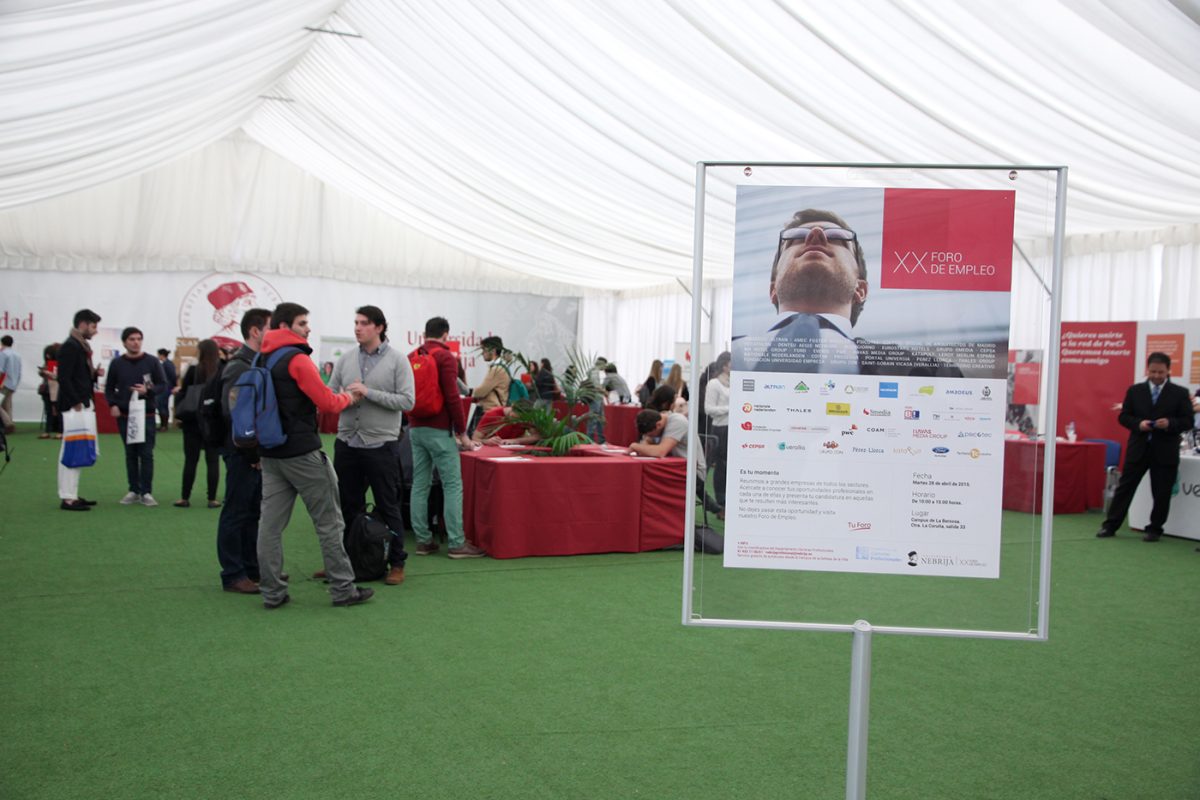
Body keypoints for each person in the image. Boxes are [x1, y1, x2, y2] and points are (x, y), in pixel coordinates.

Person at [732, 208, 963, 376]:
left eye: (836, 237)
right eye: (797, 238)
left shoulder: (932, 373)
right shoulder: (731, 356)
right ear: (773, 289)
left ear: (860, 289)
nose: (816, 235)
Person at [256, 302, 374, 609]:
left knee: (269, 526)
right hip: (303, 454)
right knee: (329, 522)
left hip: (270, 452)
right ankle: (343, 589)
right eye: (302, 323)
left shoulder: (262, 356)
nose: (308, 328)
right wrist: (351, 396)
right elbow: (328, 403)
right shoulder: (298, 359)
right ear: (285, 326)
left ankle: (272, 592)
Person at [326, 305, 415, 586]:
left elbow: (407, 401)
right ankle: (345, 563)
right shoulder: (346, 359)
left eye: (364, 323)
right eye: (356, 322)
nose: (357, 328)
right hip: (347, 442)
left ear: (379, 327)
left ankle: (397, 563)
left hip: (381, 444)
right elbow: (329, 395)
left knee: (388, 505)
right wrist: (344, 397)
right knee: (346, 506)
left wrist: (369, 392)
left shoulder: (398, 360)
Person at [409, 316, 486, 559]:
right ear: (445, 335)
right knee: (452, 484)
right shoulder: (445, 357)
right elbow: (453, 398)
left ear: (425, 334)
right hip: (439, 430)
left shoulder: (412, 356)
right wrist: (462, 433)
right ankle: (456, 543)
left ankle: (423, 541)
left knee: (420, 484)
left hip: (415, 427)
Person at [1096, 352, 1194, 542]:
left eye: (1161, 372)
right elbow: (1124, 416)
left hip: (1165, 450)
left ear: (1168, 371)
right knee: (1125, 488)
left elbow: (1187, 421)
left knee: (1162, 491)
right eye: (1153, 371)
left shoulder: (1180, 393)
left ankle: (1155, 529)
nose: (1156, 375)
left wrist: (1170, 423)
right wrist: (1138, 424)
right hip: (1139, 448)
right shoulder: (1135, 391)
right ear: (1147, 370)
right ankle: (1110, 525)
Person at [214, 307, 271, 594]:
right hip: (242, 452)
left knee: (252, 512)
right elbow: (234, 413)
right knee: (236, 512)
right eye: (271, 328)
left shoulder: (257, 363)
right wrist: (251, 454)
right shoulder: (239, 366)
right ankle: (233, 573)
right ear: (255, 331)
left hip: (253, 452)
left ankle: (251, 567)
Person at [105, 326, 166, 506]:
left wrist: (148, 390)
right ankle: (133, 489)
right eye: (131, 339)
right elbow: (109, 388)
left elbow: (163, 385)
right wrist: (113, 404)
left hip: (146, 414)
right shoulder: (117, 363)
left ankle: (146, 492)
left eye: (139, 339)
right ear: (124, 342)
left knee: (146, 454)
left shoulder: (152, 361)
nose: (136, 342)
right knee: (130, 453)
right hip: (125, 415)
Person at [629, 408, 722, 517]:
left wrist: (635, 446)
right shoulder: (659, 422)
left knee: (652, 483)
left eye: (651, 435)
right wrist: (646, 443)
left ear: (658, 425)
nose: (650, 437)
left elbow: (660, 452)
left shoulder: (677, 422)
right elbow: (646, 443)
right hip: (675, 469)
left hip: (693, 474)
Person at [56, 309, 103, 511]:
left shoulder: (78, 345)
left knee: (78, 449)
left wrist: (94, 375)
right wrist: (76, 401)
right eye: (93, 326)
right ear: (82, 324)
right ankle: (68, 497)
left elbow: (74, 376)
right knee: (72, 450)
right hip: (74, 406)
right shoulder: (71, 346)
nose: (95, 331)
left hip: (81, 403)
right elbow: (64, 377)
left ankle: (71, 494)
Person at [174, 339, 222, 508]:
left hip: (192, 420)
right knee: (213, 461)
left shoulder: (193, 370)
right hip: (213, 421)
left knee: (190, 460)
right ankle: (212, 499)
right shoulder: (220, 370)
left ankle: (184, 497)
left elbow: (183, 392)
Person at [467, 335, 511, 436]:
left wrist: (467, 392)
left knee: (476, 440)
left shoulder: (497, 369)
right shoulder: (501, 366)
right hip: (494, 410)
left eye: (484, 349)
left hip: (490, 411)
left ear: (493, 350)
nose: (482, 353)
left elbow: (482, 391)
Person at [703, 351, 731, 509]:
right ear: (724, 365)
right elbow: (709, 409)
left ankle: (728, 503)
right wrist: (731, 408)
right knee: (721, 466)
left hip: (734, 429)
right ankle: (721, 503)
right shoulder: (714, 384)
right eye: (731, 363)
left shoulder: (735, 382)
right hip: (720, 430)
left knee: (729, 467)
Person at [37, 343, 62, 439]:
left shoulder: (60, 363)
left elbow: (58, 377)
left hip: (57, 389)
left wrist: (49, 373)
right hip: (47, 390)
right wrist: (42, 372)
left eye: (49, 353)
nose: (47, 355)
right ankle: (47, 431)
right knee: (48, 411)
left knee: (59, 411)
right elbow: (42, 374)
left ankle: (60, 431)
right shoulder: (47, 363)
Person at [0, 335, 21, 433]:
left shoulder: (3, 354)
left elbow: (1, 370)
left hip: (3, 383)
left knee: (5, 405)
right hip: (13, 383)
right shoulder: (17, 355)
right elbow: (19, 371)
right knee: (7, 405)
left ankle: (8, 423)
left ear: (2, 343)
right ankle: (9, 424)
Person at [155, 348, 177, 430]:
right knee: (162, 405)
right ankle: (163, 425)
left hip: (166, 388)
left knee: (162, 405)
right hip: (166, 387)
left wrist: (174, 386)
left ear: (162, 355)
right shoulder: (167, 363)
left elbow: (173, 376)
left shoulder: (167, 364)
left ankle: (164, 425)